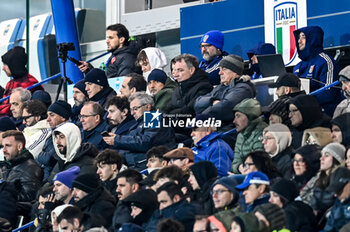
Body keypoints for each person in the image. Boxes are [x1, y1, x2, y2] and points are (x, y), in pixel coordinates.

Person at [103, 92, 175, 170]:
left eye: (135, 109)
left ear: (147, 107)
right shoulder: (137, 124)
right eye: (131, 110)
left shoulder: (153, 117)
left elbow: (146, 142)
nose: (132, 113)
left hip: (145, 165)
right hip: (133, 165)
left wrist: (117, 139)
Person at [293, 26, 342, 116]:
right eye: (299, 37)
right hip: (302, 114)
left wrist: (305, 102)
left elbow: (329, 92)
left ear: (313, 38)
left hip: (324, 114)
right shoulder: (297, 66)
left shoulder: (325, 61)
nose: (299, 41)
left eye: (303, 37)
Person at [194, 54, 256, 125]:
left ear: (235, 71)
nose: (220, 73)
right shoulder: (220, 87)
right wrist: (212, 101)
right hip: (213, 126)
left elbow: (223, 109)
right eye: (219, 69)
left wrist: (201, 117)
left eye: (224, 69)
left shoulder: (243, 88)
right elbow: (197, 103)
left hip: (228, 130)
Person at [0, 46, 43, 117]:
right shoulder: (10, 83)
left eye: (5, 65)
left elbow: (9, 109)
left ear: (13, 65)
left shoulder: (30, 83)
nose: (3, 68)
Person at [300, 143, 345, 211]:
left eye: (326, 155)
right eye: (321, 155)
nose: (321, 158)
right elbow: (303, 194)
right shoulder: (319, 176)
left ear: (336, 159)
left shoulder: (336, 182)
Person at [1, 130, 43, 202]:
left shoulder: (31, 168)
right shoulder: (7, 165)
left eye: (8, 146)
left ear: (19, 147)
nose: (4, 150)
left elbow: (29, 198)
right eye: (3, 146)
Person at [37, 100, 72, 181]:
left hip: (52, 178)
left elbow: (48, 159)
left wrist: (40, 155)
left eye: (52, 115)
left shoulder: (65, 133)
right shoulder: (52, 132)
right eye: (47, 115)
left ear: (63, 117)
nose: (48, 119)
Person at [232, 98, 267, 174]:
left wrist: (243, 169)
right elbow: (235, 161)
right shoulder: (240, 136)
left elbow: (258, 163)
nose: (234, 121)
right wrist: (239, 168)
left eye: (238, 116)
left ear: (250, 116)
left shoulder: (262, 131)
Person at [324, 167, 350, 231]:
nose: (335, 195)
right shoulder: (338, 203)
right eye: (334, 190)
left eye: (339, 190)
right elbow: (329, 227)